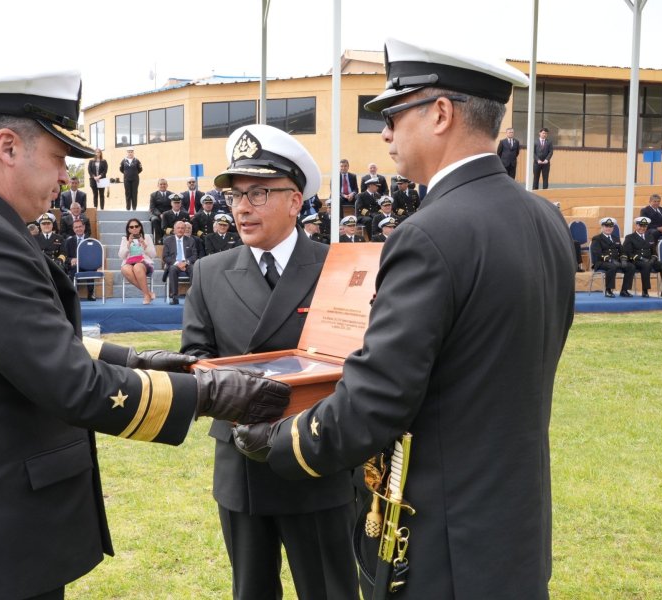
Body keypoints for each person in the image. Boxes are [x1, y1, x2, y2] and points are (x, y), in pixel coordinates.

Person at [0, 70, 290, 600]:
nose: (65, 177)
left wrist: (140, 360)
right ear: (7, 146)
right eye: (57, 158)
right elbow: (70, 383)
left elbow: (31, 345)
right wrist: (212, 393)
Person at [233, 38, 575, 600]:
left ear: (441, 114)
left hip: (442, 545)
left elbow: (375, 403)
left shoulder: (428, 235)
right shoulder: (544, 218)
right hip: (516, 532)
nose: (385, 134)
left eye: (393, 115)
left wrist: (281, 441)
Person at [181, 124, 359, 600]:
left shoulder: (339, 267)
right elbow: (195, 359)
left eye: (258, 192)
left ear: (296, 200)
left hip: (316, 456)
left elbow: (361, 362)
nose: (241, 207)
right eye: (236, 195)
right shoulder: (209, 272)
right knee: (252, 591)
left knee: (329, 590)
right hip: (242, 462)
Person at [591, 217, 634, 298]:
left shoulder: (615, 238)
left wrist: (623, 259)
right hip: (601, 262)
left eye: (610, 227)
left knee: (631, 266)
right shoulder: (597, 238)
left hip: (616, 261)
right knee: (612, 266)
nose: (608, 228)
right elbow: (597, 253)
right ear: (602, 227)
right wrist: (610, 260)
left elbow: (622, 251)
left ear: (613, 228)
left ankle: (624, 290)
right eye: (606, 226)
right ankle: (608, 290)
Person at [623, 216, 662, 297]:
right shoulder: (630, 237)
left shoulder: (650, 236)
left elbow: (654, 252)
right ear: (636, 226)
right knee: (646, 265)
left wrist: (653, 259)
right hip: (636, 261)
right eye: (640, 226)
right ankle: (645, 290)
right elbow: (628, 253)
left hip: (649, 260)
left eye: (644, 226)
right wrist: (642, 259)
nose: (642, 228)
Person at [118, 217, 157, 304]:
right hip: (129, 262)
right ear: (128, 229)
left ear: (140, 227)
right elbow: (121, 256)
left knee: (137, 266)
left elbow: (153, 254)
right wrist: (128, 244)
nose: (134, 228)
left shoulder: (147, 237)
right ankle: (148, 293)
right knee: (124, 269)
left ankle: (146, 296)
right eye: (131, 227)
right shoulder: (125, 239)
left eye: (136, 226)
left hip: (144, 263)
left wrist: (143, 244)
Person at [162, 220, 197, 304]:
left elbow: (194, 256)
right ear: (174, 229)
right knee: (173, 269)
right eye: (178, 228)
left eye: (182, 228)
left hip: (187, 264)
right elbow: (165, 257)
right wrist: (177, 263)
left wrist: (186, 262)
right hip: (175, 264)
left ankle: (193, 296)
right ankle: (174, 297)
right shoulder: (168, 240)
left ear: (185, 229)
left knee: (194, 269)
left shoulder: (190, 240)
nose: (180, 230)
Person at [63, 218, 96, 300]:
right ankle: (74, 295)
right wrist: (71, 260)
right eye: (76, 227)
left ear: (84, 227)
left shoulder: (91, 240)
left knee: (90, 268)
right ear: (73, 229)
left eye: (80, 226)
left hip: (88, 265)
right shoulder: (69, 241)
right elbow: (65, 257)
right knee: (74, 268)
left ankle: (91, 294)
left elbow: (94, 256)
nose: (78, 229)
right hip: (75, 266)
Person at [149, 178, 173, 243]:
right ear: (158, 185)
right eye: (161, 184)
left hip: (168, 214)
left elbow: (173, 207)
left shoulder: (171, 195)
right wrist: (160, 214)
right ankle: (157, 239)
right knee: (154, 220)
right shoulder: (153, 195)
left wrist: (165, 214)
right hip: (156, 214)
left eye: (164, 184)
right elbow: (152, 208)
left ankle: (169, 238)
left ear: (167, 185)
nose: (163, 185)